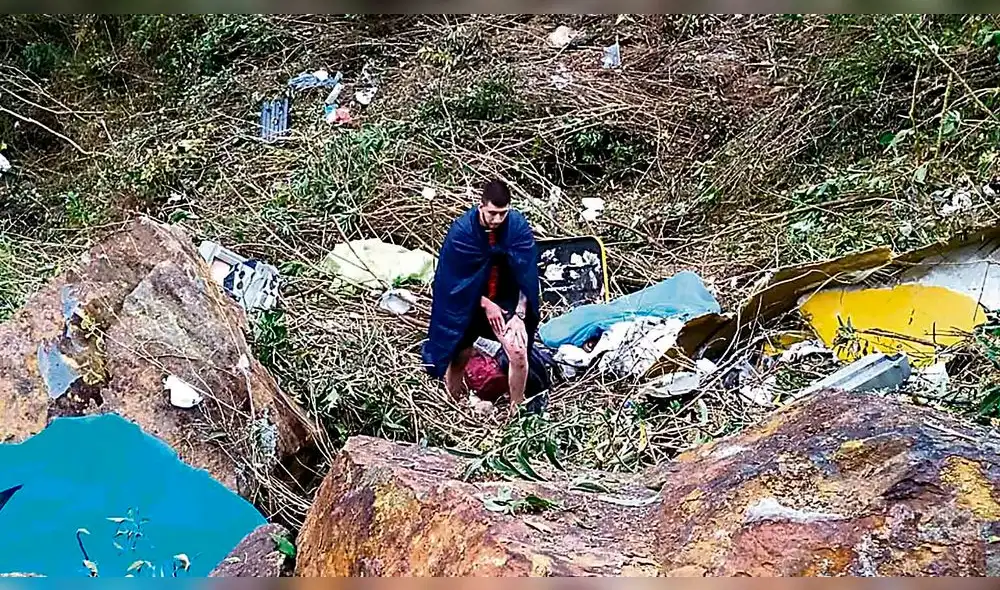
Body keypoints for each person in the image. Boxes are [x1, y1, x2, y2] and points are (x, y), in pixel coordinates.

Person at [421, 179, 540, 408]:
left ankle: (516, 410)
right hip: (468, 302)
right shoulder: (462, 232)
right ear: (481, 207)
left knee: (518, 353)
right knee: (459, 353)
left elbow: (527, 275)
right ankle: (452, 403)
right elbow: (451, 280)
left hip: (505, 300)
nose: (497, 219)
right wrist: (485, 303)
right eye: (492, 213)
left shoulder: (516, 228)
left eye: (502, 214)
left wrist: (519, 314)